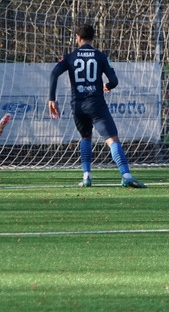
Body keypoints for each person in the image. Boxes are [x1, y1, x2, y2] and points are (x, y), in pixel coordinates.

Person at [48, 23, 146, 188]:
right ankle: (126, 175)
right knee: (112, 139)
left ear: (78, 38)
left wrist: (52, 98)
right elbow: (114, 80)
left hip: (78, 106)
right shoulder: (100, 56)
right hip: (96, 105)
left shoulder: (70, 57)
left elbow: (54, 73)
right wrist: (108, 85)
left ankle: (86, 176)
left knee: (85, 137)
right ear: (93, 38)